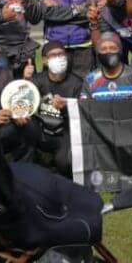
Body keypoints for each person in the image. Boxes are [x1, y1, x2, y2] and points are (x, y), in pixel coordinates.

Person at [26, 41, 83, 176]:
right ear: (44, 61)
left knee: (65, 162)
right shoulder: (37, 80)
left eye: (61, 54)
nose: (58, 58)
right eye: (53, 55)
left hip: (65, 132)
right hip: (41, 130)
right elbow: (25, 103)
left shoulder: (77, 83)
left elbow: (81, 116)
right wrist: (26, 80)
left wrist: (66, 108)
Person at [80, 33, 132, 100]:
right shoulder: (91, 79)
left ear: (120, 51)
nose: (108, 51)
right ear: (98, 53)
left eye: (113, 48)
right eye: (103, 49)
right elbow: (85, 106)